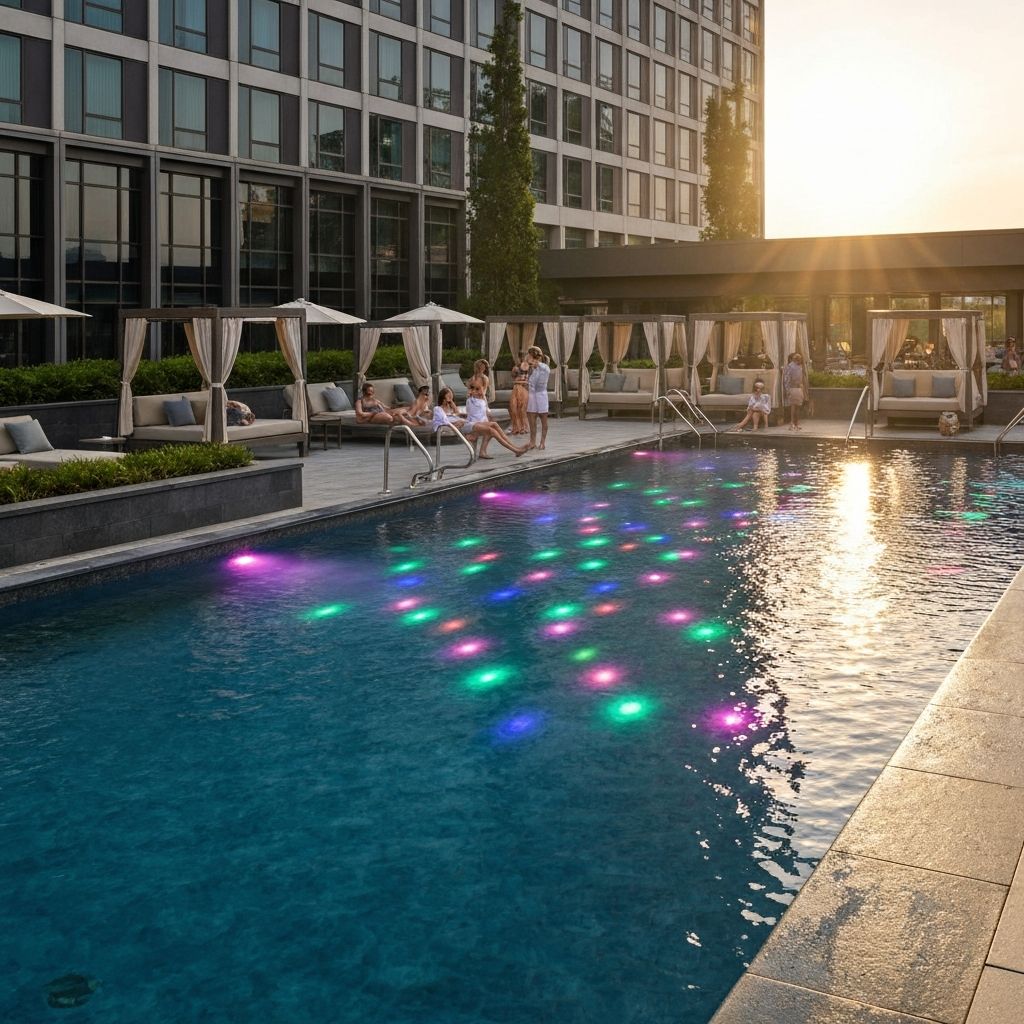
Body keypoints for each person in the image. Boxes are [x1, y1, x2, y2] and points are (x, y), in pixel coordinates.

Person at [526, 345, 551, 450]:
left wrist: (537, 361)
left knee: (543, 419)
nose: (528, 359)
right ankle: (532, 442)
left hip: (541, 396)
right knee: (532, 421)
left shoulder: (545, 367)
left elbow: (541, 367)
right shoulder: (530, 369)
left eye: (530, 357)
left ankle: (542, 442)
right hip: (531, 396)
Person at [783, 352, 808, 431]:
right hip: (793, 388)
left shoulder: (799, 367)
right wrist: (787, 390)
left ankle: (796, 424)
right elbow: (787, 379)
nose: (800, 360)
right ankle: (792, 424)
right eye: (799, 359)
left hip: (798, 388)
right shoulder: (790, 367)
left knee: (797, 407)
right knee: (793, 407)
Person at [508, 356, 530, 435]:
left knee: (522, 409)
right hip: (516, 388)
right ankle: (516, 427)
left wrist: (520, 382)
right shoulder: (515, 368)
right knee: (513, 407)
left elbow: (529, 382)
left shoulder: (530, 369)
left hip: (524, 389)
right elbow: (514, 380)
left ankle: (524, 427)